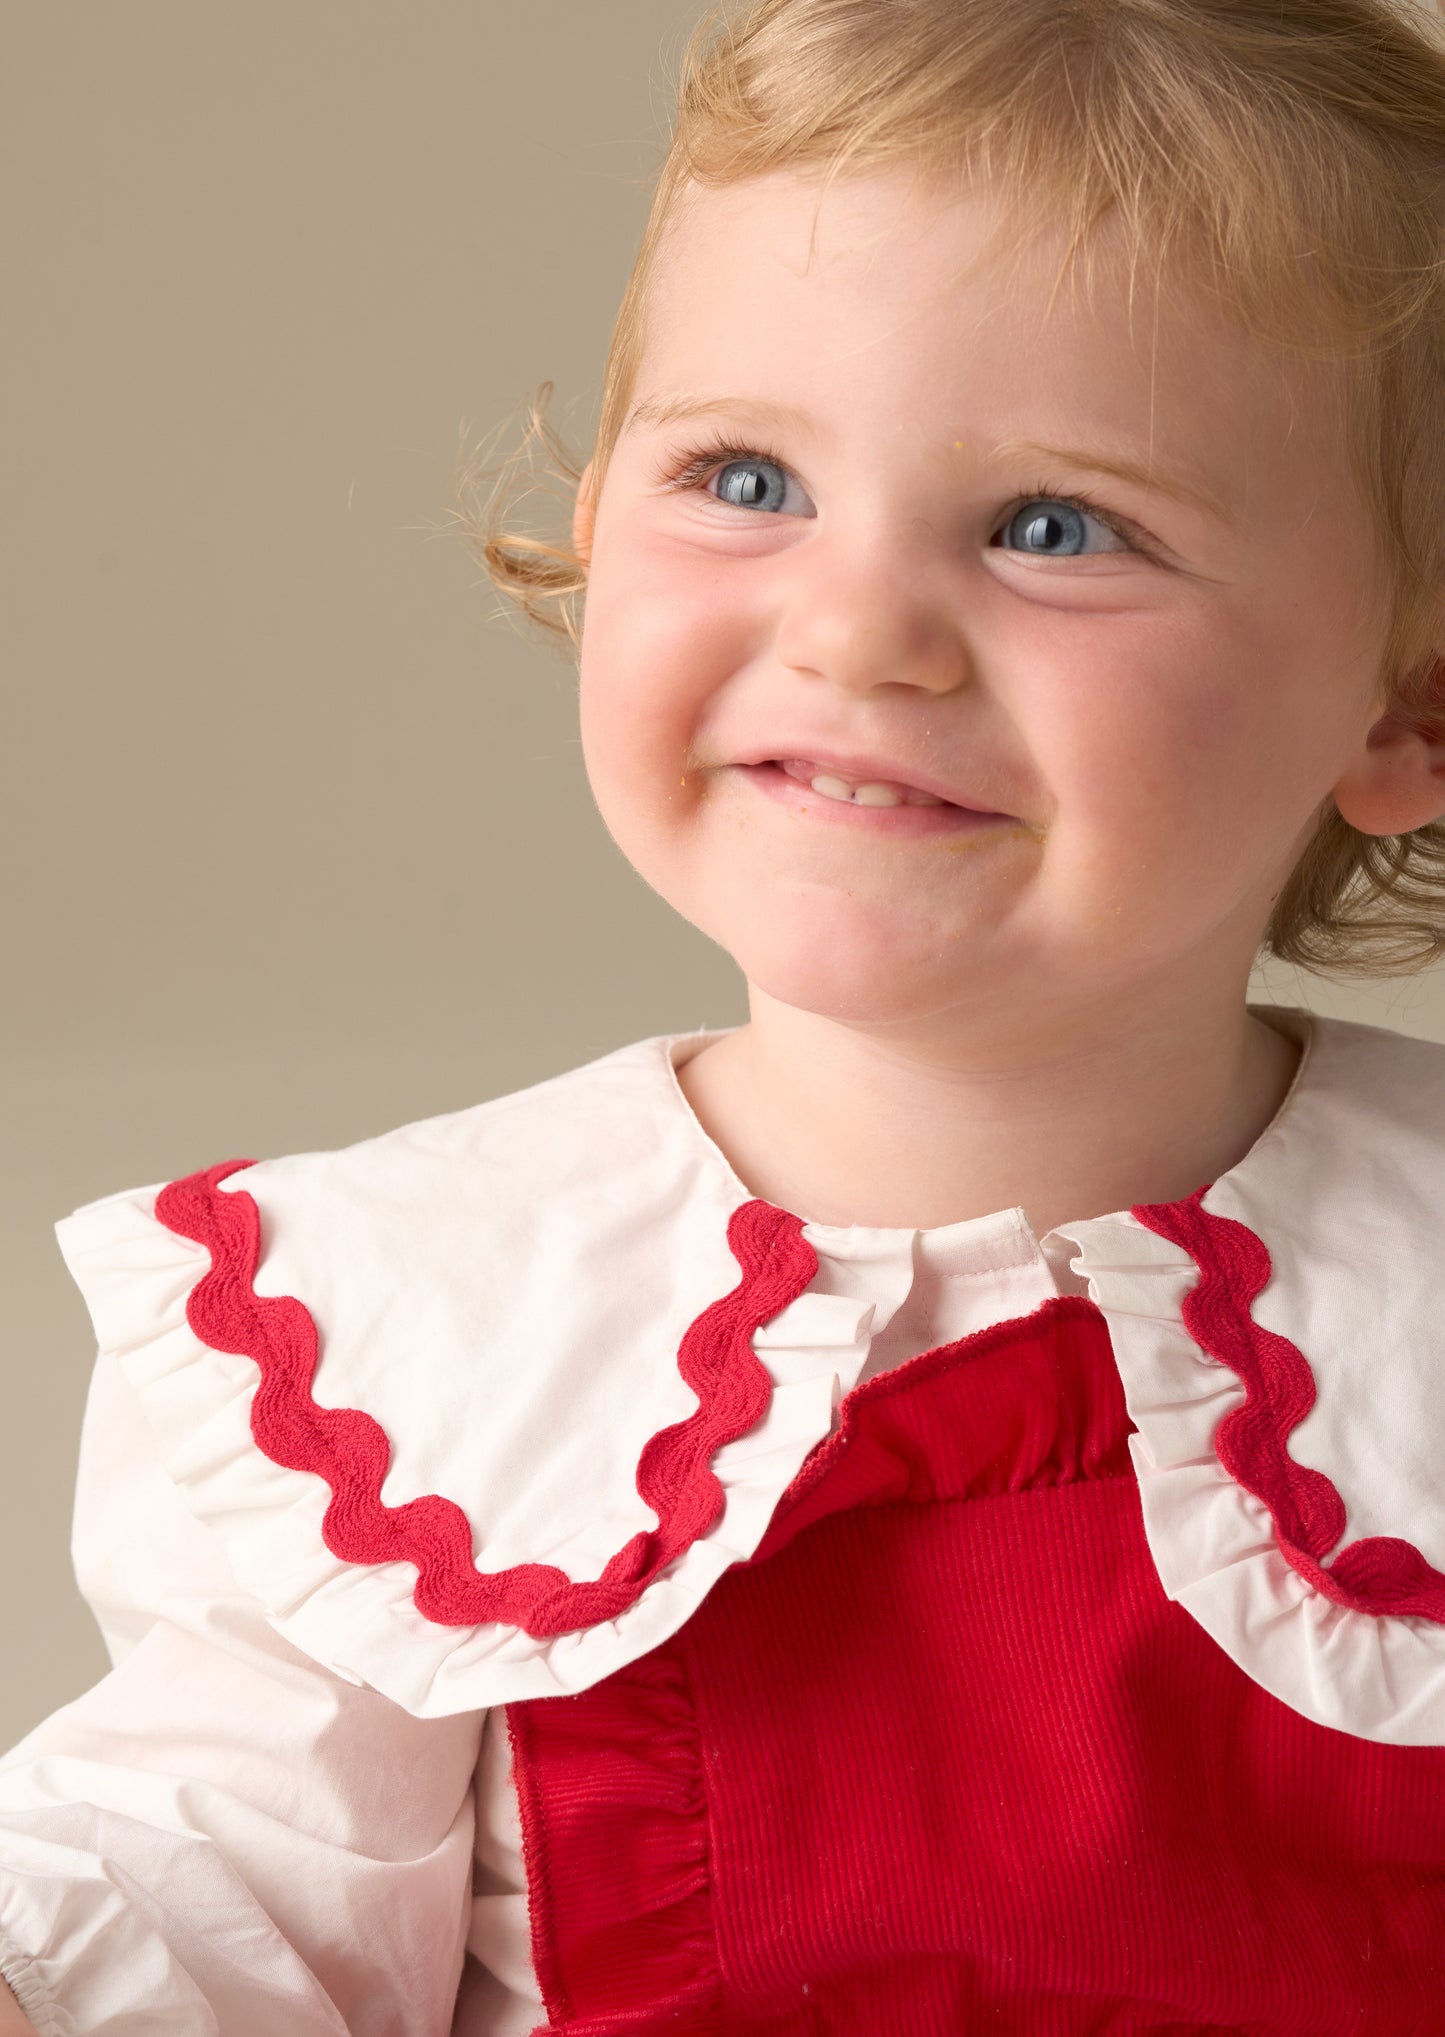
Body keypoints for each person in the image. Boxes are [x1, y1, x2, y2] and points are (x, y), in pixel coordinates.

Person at [6, 0, 1445, 2028]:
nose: (858, 627)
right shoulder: (417, 1340)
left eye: (1060, 526)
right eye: (747, 473)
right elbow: (214, 1899)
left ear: (1409, 700)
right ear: (594, 523)